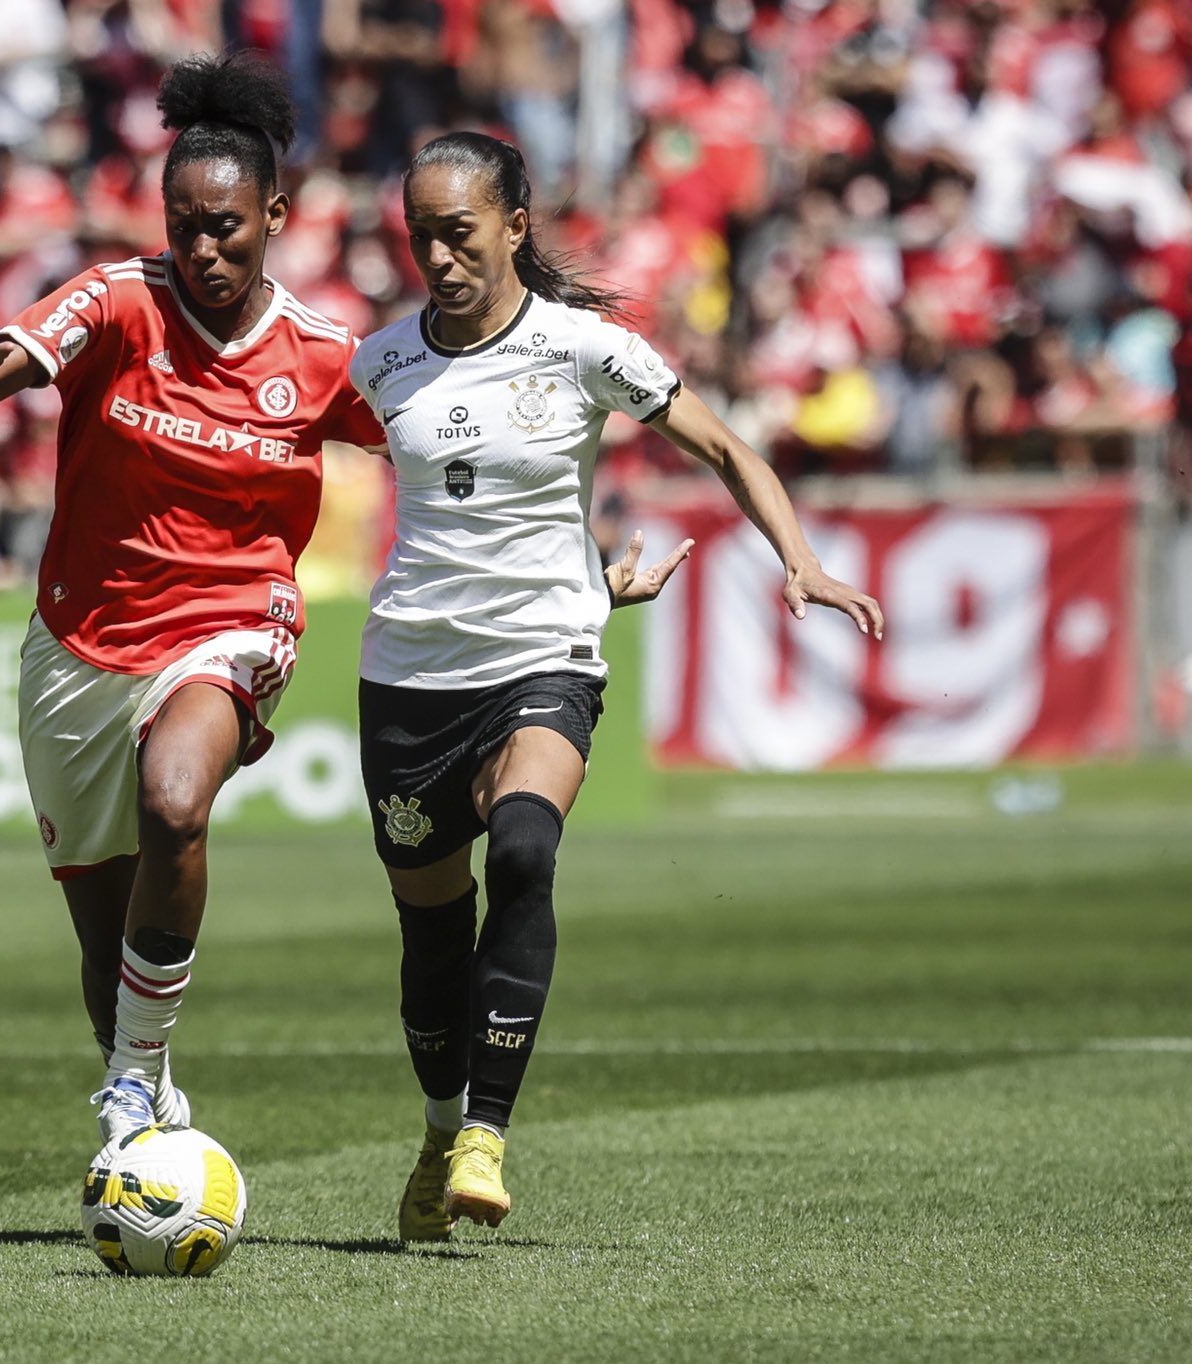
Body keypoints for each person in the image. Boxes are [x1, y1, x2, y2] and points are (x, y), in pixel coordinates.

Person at [353, 132, 884, 1240]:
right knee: (430, 938)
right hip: (407, 674)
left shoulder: (583, 346)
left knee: (526, 850)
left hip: (543, 655)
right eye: (420, 235)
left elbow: (727, 447)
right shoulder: (378, 363)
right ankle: (438, 1123)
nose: (438, 256)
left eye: (458, 231)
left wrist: (799, 558)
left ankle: (486, 1136)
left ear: (513, 225)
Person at [0, 52, 384, 1144]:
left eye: (225, 225)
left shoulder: (320, 357)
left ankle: (126, 1083)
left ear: (275, 213)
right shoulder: (117, 300)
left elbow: (442, 449)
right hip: (78, 642)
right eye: (183, 224)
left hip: (229, 619)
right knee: (102, 938)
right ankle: (145, 1098)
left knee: (176, 799)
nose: (203, 247)